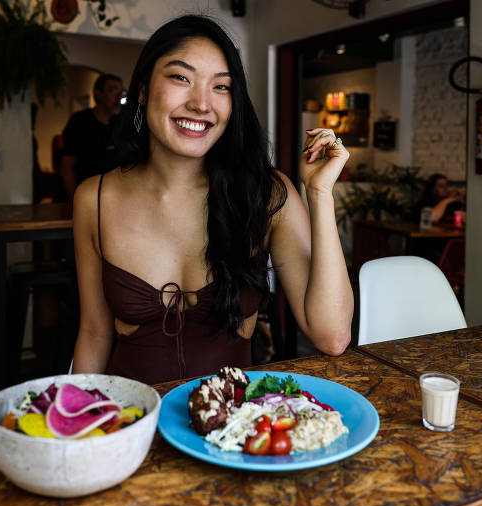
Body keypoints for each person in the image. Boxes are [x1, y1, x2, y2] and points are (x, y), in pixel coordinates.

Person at [70, 15, 354, 384]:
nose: (202, 104)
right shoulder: (94, 198)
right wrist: (76, 426)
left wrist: (319, 194)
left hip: (230, 431)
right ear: (142, 89)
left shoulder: (266, 195)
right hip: (132, 425)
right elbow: (94, 333)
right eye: (180, 78)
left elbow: (331, 336)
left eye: (222, 87)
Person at [60, 73, 126, 200]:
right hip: (85, 197)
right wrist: (76, 200)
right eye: (113, 91)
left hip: (113, 200)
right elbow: (67, 165)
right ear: (99, 94)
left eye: (122, 91)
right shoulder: (80, 121)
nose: (119, 97)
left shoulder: (121, 123)